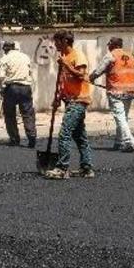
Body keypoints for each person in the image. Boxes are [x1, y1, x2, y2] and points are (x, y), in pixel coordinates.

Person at [45, 30, 94, 180]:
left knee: (64, 133)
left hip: (78, 101)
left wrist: (66, 64)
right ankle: (87, 169)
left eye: (57, 41)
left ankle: (62, 168)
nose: (55, 44)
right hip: (69, 100)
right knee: (80, 136)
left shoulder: (77, 55)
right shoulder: (64, 57)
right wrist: (58, 98)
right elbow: (63, 81)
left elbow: (81, 75)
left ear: (65, 41)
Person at [89, 37, 134, 152]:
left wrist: (90, 78)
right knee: (123, 117)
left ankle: (129, 141)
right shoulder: (131, 56)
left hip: (116, 92)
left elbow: (99, 70)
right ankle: (119, 141)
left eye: (109, 44)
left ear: (114, 45)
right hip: (129, 91)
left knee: (120, 117)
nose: (108, 46)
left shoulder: (111, 55)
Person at [0, 41, 37, 147]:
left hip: (12, 88)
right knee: (28, 113)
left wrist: (1, 88)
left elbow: (0, 76)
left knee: (10, 115)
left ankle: (14, 138)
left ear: (5, 49)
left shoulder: (5, 58)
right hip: (25, 88)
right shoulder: (25, 57)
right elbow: (30, 72)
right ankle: (31, 136)